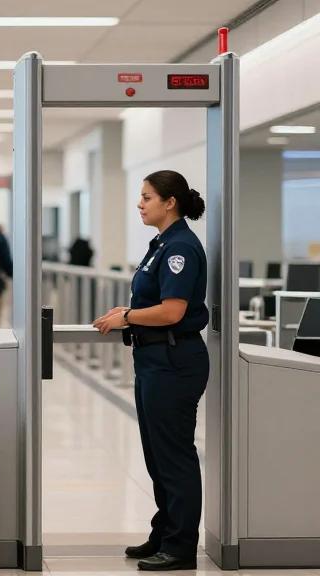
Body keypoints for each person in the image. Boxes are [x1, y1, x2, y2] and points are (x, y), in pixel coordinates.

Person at [93, 170, 209, 572]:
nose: (140, 204)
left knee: (174, 455)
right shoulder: (160, 244)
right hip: (154, 360)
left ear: (169, 202)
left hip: (175, 362)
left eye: (146, 197)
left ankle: (180, 547)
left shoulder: (180, 248)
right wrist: (128, 316)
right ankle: (164, 532)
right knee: (157, 456)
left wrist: (127, 316)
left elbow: (173, 310)